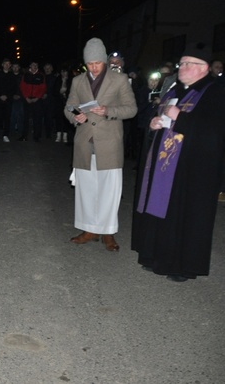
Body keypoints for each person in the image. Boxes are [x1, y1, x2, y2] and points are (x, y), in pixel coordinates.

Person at [131, 44, 225, 282]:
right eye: (180, 63)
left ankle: (181, 266)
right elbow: (165, 117)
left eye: (186, 64)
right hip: (167, 165)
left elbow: (214, 131)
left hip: (192, 170)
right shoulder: (177, 89)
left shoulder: (215, 92)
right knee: (163, 212)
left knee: (184, 216)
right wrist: (155, 125)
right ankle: (156, 257)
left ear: (203, 68)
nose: (180, 68)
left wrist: (180, 118)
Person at [65, 38, 137, 252]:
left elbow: (131, 109)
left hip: (109, 142)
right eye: (90, 64)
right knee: (86, 189)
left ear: (104, 61)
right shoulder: (78, 81)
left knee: (109, 190)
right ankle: (89, 230)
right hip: (85, 142)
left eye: (97, 63)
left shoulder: (120, 79)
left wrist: (108, 111)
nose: (94, 67)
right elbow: (69, 106)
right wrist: (75, 116)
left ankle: (108, 232)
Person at [19, 61, 46, 142]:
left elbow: (43, 88)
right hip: (27, 99)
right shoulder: (26, 75)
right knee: (25, 118)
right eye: (32, 65)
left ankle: (36, 137)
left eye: (36, 65)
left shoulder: (41, 75)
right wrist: (26, 97)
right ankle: (24, 136)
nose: (34, 66)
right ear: (30, 66)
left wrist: (37, 98)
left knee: (37, 119)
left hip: (37, 100)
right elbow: (22, 87)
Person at [0, 58, 14, 142]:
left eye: (9, 64)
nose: (7, 65)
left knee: (7, 117)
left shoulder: (12, 75)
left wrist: (7, 96)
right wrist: (0, 95)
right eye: (5, 64)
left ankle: (5, 135)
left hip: (8, 100)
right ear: (2, 65)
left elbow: (13, 88)